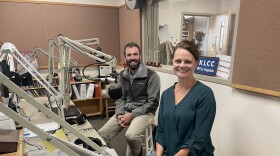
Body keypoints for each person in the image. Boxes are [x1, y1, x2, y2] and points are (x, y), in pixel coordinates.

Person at [154, 40, 216, 156]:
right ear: (172, 62)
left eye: (188, 61)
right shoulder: (166, 95)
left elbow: (198, 138)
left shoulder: (205, 95)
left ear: (196, 63)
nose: (182, 65)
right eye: (178, 61)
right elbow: (161, 131)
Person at [98, 42, 161, 156]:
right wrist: (119, 114)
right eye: (129, 55)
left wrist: (131, 115)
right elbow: (121, 98)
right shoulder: (123, 75)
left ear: (140, 56)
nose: (133, 58)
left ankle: (139, 153)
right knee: (101, 135)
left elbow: (153, 103)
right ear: (125, 57)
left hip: (146, 112)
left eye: (135, 54)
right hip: (126, 111)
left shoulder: (152, 76)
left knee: (131, 136)